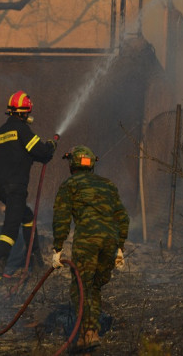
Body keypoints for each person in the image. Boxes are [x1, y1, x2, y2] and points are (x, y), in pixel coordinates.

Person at [51, 145, 129, 351]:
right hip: (109, 242)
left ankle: (88, 332)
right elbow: (122, 217)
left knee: (81, 288)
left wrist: (57, 248)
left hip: (87, 242)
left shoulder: (70, 185)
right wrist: (119, 247)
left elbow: (61, 217)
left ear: (72, 164)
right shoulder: (108, 185)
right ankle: (92, 331)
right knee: (94, 287)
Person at [0, 91, 57, 283]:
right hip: (15, 187)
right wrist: (51, 146)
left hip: (1, 187)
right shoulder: (22, 129)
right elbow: (41, 151)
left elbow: (20, 153)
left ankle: (35, 260)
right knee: (11, 226)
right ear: (24, 112)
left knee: (27, 217)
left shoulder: (0, 132)